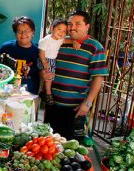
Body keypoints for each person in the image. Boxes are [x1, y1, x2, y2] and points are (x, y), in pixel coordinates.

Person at [44, 10, 108, 141]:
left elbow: (99, 77)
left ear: (87, 26)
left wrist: (88, 103)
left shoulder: (95, 47)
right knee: (49, 144)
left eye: (77, 24)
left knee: (71, 149)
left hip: (75, 108)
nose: (72, 27)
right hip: (53, 104)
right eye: (70, 24)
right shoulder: (59, 43)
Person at [37, 19, 81, 105]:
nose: (61, 32)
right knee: (49, 78)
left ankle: (43, 92)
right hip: (45, 59)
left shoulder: (60, 39)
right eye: (59, 29)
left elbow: (67, 40)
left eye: (64, 31)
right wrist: (45, 63)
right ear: (52, 28)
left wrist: (74, 42)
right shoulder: (46, 39)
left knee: (50, 78)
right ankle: (48, 94)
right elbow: (41, 52)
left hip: (52, 60)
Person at [0, 16, 40, 94]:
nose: (23, 34)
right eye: (19, 31)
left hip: (30, 94)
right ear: (15, 33)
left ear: (33, 32)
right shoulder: (6, 48)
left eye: (27, 31)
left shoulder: (39, 52)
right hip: (7, 92)